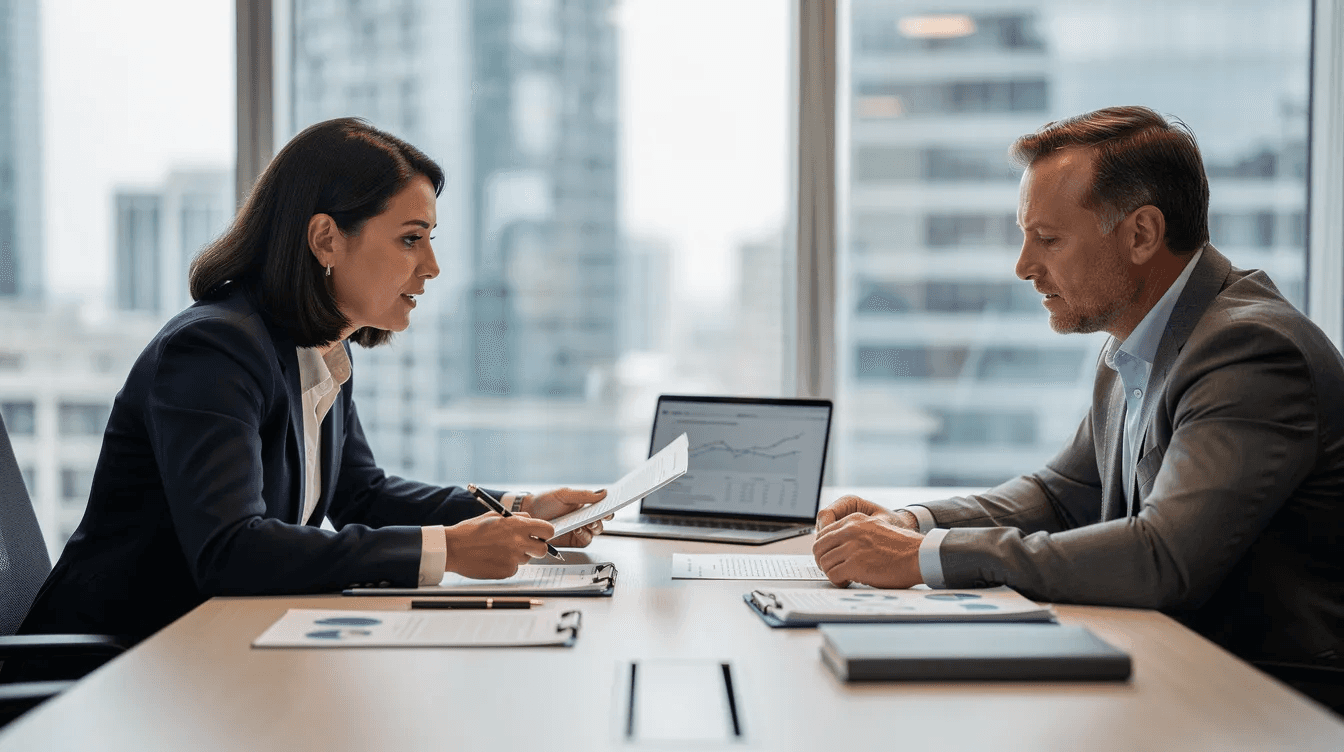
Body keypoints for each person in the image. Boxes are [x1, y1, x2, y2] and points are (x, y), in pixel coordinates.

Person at [19, 118, 609, 644]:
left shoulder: (317, 349)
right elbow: (231, 550)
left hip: (210, 651)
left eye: (431, 239)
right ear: (326, 239)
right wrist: (451, 550)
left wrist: (518, 509)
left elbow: (366, 494)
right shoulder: (213, 351)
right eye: (410, 238)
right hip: (115, 671)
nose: (432, 265)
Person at [813, 106, 1344, 674]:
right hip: (1179, 665)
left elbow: (1165, 558)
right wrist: (914, 523)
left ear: (1142, 233)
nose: (1023, 266)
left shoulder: (1249, 350)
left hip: (1270, 702)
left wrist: (926, 557)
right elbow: (1062, 495)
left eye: (1048, 239)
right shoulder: (1135, 343)